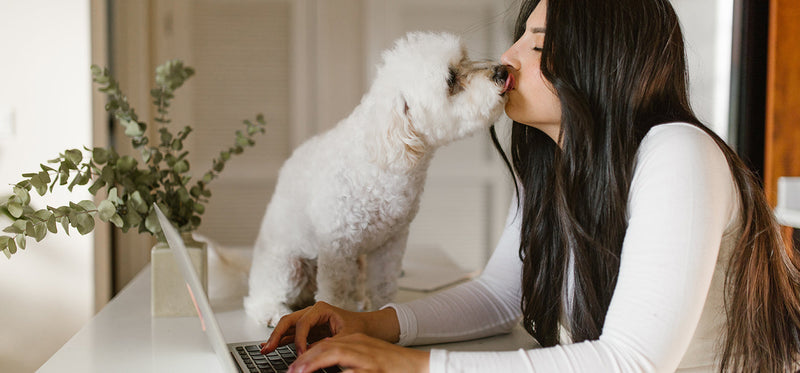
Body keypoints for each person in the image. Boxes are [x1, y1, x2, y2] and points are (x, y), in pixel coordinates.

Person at [260, 0, 800, 371]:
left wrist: (410, 364)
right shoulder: (554, 163)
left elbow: (629, 361)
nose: (508, 59)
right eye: (519, 37)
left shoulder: (679, 153)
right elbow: (499, 295)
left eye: (536, 46)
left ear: (600, 63)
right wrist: (372, 326)